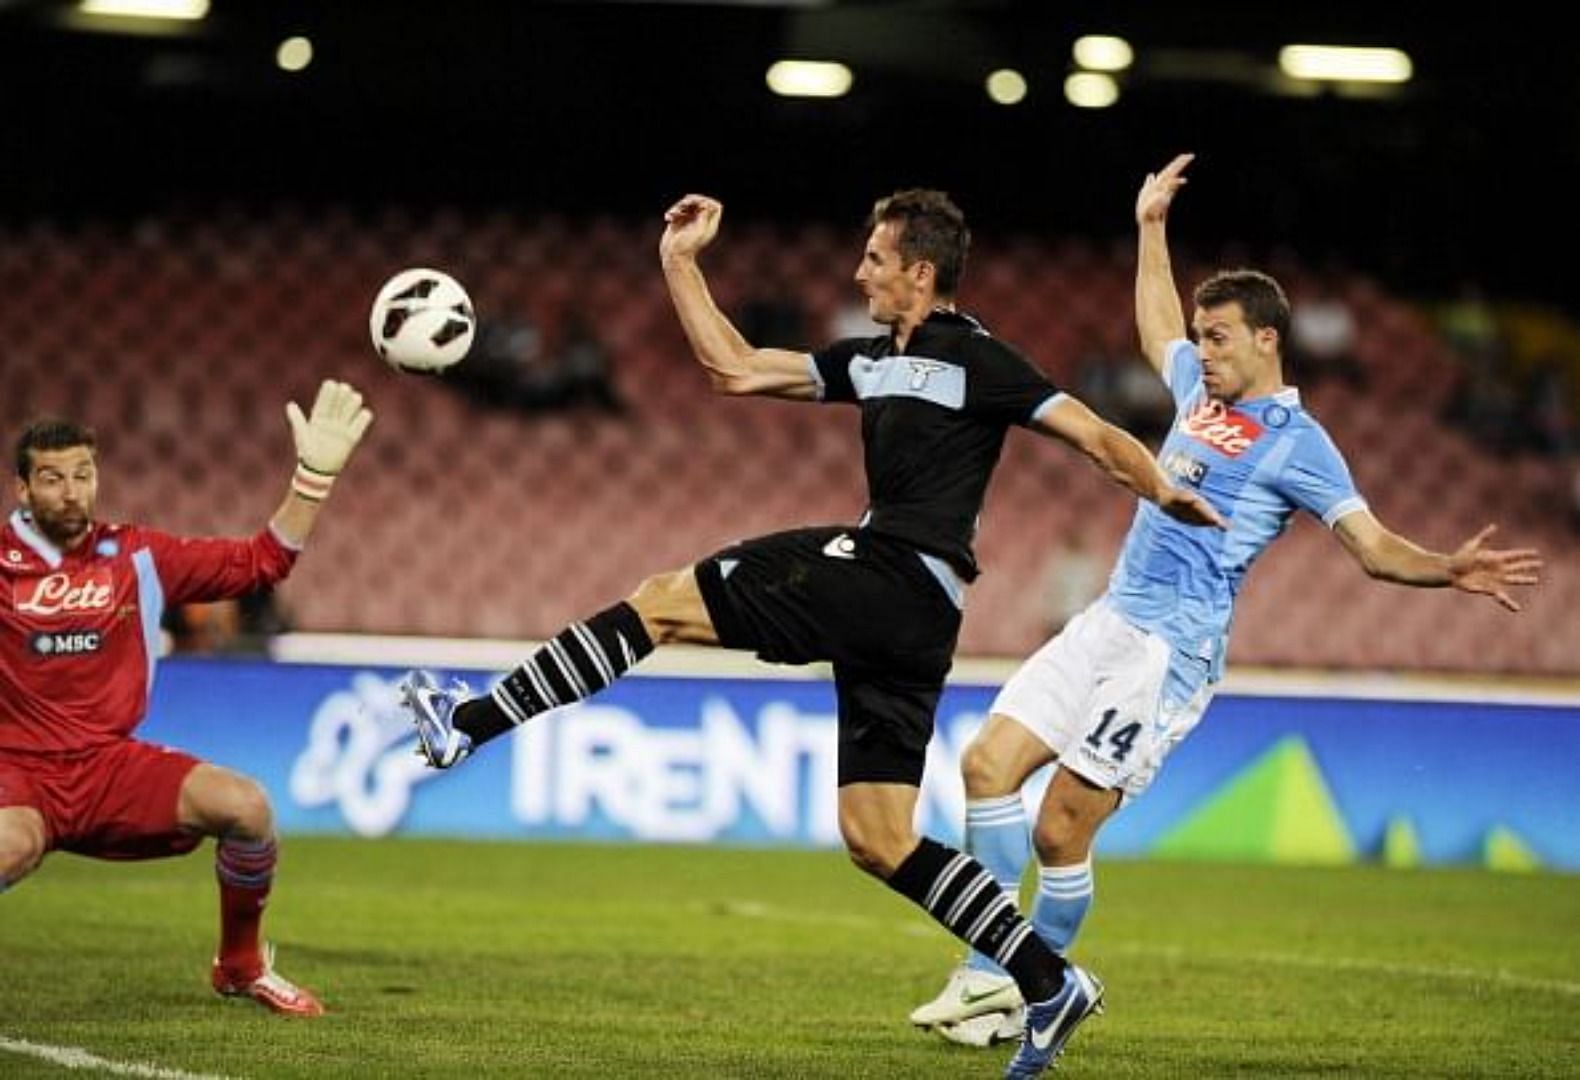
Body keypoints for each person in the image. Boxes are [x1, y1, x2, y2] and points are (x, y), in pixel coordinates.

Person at [398, 188, 1225, 1078]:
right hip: (918, 620)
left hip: (890, 574)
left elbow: (1095, 434)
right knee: (878, 835)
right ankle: (1046, 982)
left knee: (662, 601)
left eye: (874, 257)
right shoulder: (872, 360)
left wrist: (1162, 490)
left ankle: (470, 724)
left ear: (920, 270)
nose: (857, 269)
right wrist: (680, 264)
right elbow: (737, 368)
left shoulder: (981, 360)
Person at [908, 153, 1545, 1050]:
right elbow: (1156, 325)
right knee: (983, 770)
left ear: (1265, 341)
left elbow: (1369, 547)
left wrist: (1445, 567)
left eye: (1218, 339)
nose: (1199, 351)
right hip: (1107, 619)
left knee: (1060, 831)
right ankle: (990, 980)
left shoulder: (1301, 444)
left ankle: (1031, 988)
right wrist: (1149, 229)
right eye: (1201, 338)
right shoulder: (1197, 396)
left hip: (1169, 656)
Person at [0, 379, 374, 1017]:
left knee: (247, 808)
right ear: (23, 490)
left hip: (108, 768)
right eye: (54, 478)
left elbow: (262, 563)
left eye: (84, 474)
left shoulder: (138, 554)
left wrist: (313, 476)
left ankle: (240, 965)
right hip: (18, 773)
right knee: (11, 847)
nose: (72, 491)